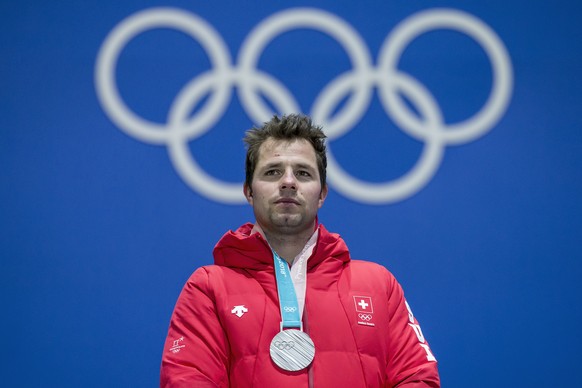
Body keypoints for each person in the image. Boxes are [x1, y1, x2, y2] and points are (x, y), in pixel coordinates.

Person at [160, 114, 440, 387]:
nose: (288, 182)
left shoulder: (378, 285)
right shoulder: (209, 287)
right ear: (248, 191)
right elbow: (188, 380)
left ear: (322, 194)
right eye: (272, 172)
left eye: (303, 173)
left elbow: (418, 378)